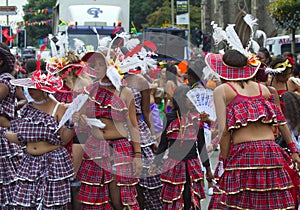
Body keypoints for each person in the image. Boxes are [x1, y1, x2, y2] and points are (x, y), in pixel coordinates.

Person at [205, 49, 300, 209]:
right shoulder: (263, 89)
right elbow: (281, 122)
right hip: (271, 152)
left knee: (241, 202)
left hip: (244, 154)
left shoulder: (222, 90)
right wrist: (294, 151)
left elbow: (224, 131)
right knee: (269, 202)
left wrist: (226, 160)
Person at [72, 51, 142, 209]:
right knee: (96, 198)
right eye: (94, 65)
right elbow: (82, 121)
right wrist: (80, 120)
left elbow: (133, 125)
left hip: (120, 148)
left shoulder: (125, 92)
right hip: (95, 147)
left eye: (101, 64)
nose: (96, 68)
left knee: (120, 200)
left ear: (111, 66)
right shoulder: (89, 91)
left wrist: (137, 155)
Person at [3, 66, 75, 209]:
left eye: (34, 88)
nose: (30, 91)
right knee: (27, 204)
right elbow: (21, 138)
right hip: (29, 162)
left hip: (52, 162)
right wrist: (5, 133)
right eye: (29, 88)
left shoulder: (59, 108)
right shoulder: (27, 109)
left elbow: (64, 140)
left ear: (44, 89)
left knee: (50, 204)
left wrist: (72, 125)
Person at [149, 85, 208, 210]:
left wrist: (208, 169)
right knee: (176, 198)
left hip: (192, 165)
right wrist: (155, 163)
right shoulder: (170, 118)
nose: (192, 101)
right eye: (189, 98)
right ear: (181, 99)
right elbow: (164, 144)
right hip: (174, 165)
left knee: (190, 197)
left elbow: (201, 146)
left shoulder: (197, 119)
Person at [50, 51, 93, 209]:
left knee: (76, 183)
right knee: (62, 183)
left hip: (80, 137)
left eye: (62, 70)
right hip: (60, 139)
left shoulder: (84, 87)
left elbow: (88, 115)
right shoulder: (57, 89)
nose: (60, 74)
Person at [123, 70, 163, 209]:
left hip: (139, 130)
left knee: (149, 178)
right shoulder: (108, 80)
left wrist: (153, 138)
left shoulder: (140, 81)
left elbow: (146, 111)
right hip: (117, 132)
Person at [186, 56, 215, 196]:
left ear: (191, 78)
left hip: (199, 127)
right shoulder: (203, 87)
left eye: (188, 78)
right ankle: (207, 183)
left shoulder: (194, 91)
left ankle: (203, 183)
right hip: (205, 128)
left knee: (199, 156)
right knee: (202, 155)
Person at [0, 44, 24, 208]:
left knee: (7, 178)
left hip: (3, 137)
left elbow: (25, 99)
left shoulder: (5, 79)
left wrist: (12, 109)